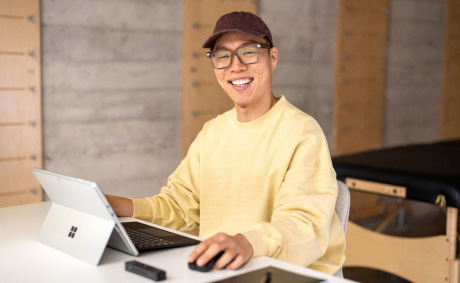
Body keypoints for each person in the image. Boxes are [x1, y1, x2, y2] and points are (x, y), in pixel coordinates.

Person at [106, 11, 345, 274]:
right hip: (221, 268)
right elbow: (179, 206)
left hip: (283, 273)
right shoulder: (212, 132)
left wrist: (246, 242)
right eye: (222, 56)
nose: (236, 66)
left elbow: (303, 224)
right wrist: (117, 206)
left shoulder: (302, 133)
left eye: (249, 52)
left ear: (273, 57)